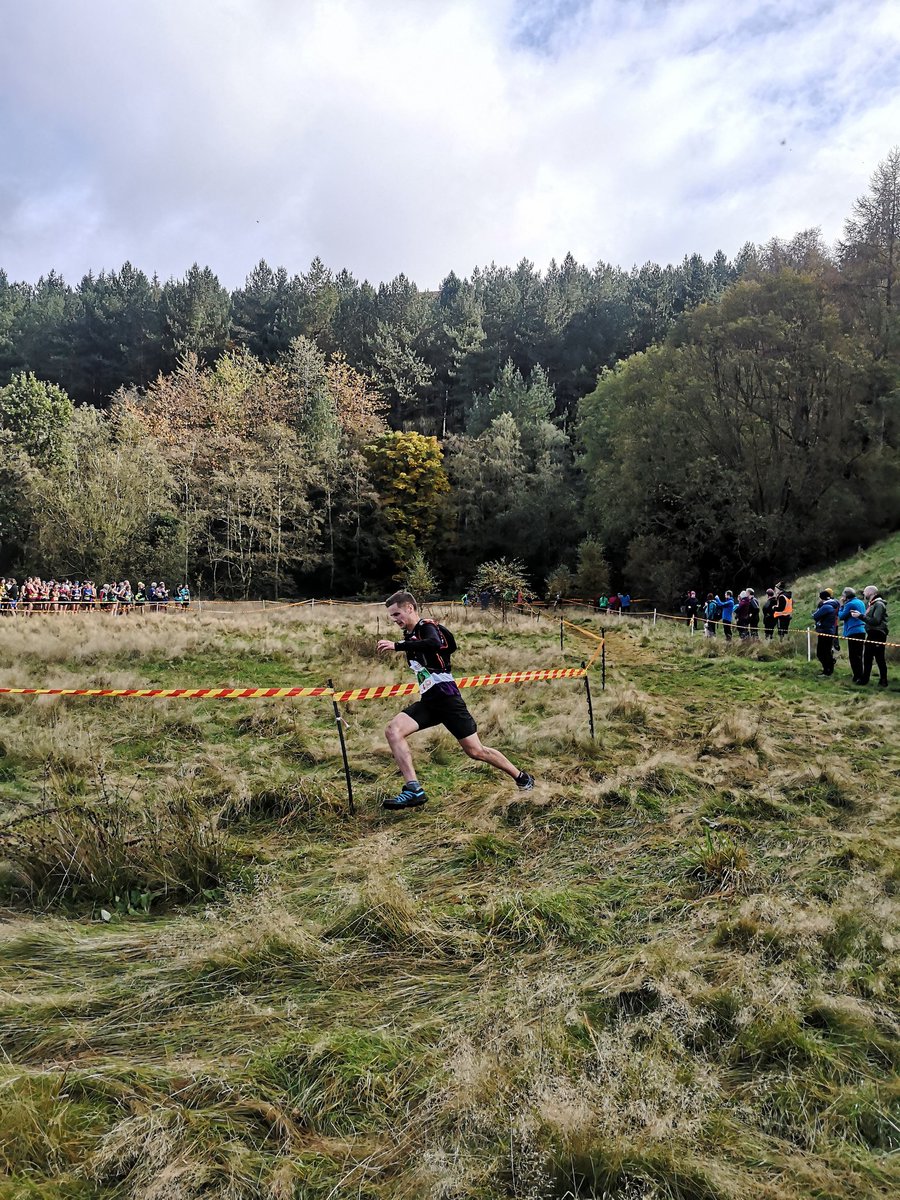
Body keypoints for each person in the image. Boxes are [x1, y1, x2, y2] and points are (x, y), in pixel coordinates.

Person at [376, 591, 535, 811]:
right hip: (430, 702)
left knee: (476, 751)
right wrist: (405, 644)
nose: (394, 619)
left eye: (397, 614)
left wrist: (398, 646)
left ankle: (522, 778)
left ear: (410, 608)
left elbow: (434, 643)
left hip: (448, 699)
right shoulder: (411, 635)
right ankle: (414, 789)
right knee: (393, 730)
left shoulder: (425, 627)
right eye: (392, 616)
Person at [858, 585, 889, 687]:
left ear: (871, 593)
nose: (863, 593)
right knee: (867, 656)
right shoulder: (871, 604)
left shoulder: (879, 604)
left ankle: (883, 680)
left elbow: (876, 621)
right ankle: (865, 679)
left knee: (879, 658)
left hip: (878, 633)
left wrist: (860, 616)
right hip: (871, 633)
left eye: (865, 591)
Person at [838, 587, 867, 684]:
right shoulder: (860, 602)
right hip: (862, 630)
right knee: (858, 654)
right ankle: (860, 674)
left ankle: (858, 676)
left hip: (854, 630)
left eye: (843, 595)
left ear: (846, 596)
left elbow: (841, 616)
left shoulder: (850, 604)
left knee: (854, 655)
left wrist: (841, 606)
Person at [811, 590, 840, 676]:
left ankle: (827, 670)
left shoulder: (826, 606)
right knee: (826, 651)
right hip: (829, 630)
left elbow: (815, 616)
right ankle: (828, 668)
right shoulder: (833, 604)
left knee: (822, 652)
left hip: (825, 631)